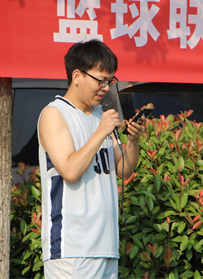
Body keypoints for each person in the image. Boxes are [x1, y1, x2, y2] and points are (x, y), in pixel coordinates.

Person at [38, 39, 145, 279]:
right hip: (72, 248)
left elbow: (124, 169)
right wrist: (100, 132)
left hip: (106, 245)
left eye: (110, 81)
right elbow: (70, 171)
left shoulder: (101, 115)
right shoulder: (55, 113)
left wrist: (133, 141)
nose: (105, 88)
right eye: (100, 80)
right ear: (77, 76)